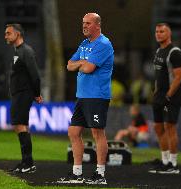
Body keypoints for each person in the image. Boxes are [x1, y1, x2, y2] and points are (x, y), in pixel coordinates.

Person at [59, 13, 114, 185]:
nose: (84, 26)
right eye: (83, 23)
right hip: (82, 96)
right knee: (73, 132)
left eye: (88, 23)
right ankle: (77, 174)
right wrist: (81, 62)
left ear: (97, 25)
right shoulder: (84, 44)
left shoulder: (104, 44)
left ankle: (100, 174)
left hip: (97, 96)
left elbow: (89, 68)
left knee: (97, 133)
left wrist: (82, 63)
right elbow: (69, 65)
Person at [4, 23, 43, 173]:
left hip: (23, 93)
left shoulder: (26, 51)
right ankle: (27, 162)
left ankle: (28, 163)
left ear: (17, 34)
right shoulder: (18, 51)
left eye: (8, 33)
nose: (6, 36)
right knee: (22, 125)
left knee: (19, 125)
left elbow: (35, 75)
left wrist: (37, 94)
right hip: (20, 93)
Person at [149, 23, 181, 174]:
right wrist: (156, 93)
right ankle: (164, 161)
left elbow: (178, 78)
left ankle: (173, 164)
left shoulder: (175, 52)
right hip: (159, 95)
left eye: (162, 31)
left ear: (169, 34)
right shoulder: (158, 51)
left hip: (171, 96)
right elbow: (158, 77)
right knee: (158, 127)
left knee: (170, 127)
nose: (158, 34)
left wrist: (168, 96)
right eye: (157, 31)